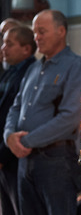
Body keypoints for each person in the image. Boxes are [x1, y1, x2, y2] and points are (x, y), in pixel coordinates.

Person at [3, 9, 81, 215]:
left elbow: (70, 117)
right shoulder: (33, 69)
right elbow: (16, 107)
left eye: (42, 31)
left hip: (56, 161)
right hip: (25, 161)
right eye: (35, 32)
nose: (37, 37)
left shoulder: (76, 66)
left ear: (61, 31)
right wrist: (9, 137)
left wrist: (25, 142)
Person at [0, 26, 36, 215]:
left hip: (15, 157)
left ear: (26, 49)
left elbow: (15, 118)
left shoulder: (29, 73)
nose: (3, 48)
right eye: (3, 42)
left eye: (9, 44)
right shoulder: (10, 71)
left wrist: (3, 155)